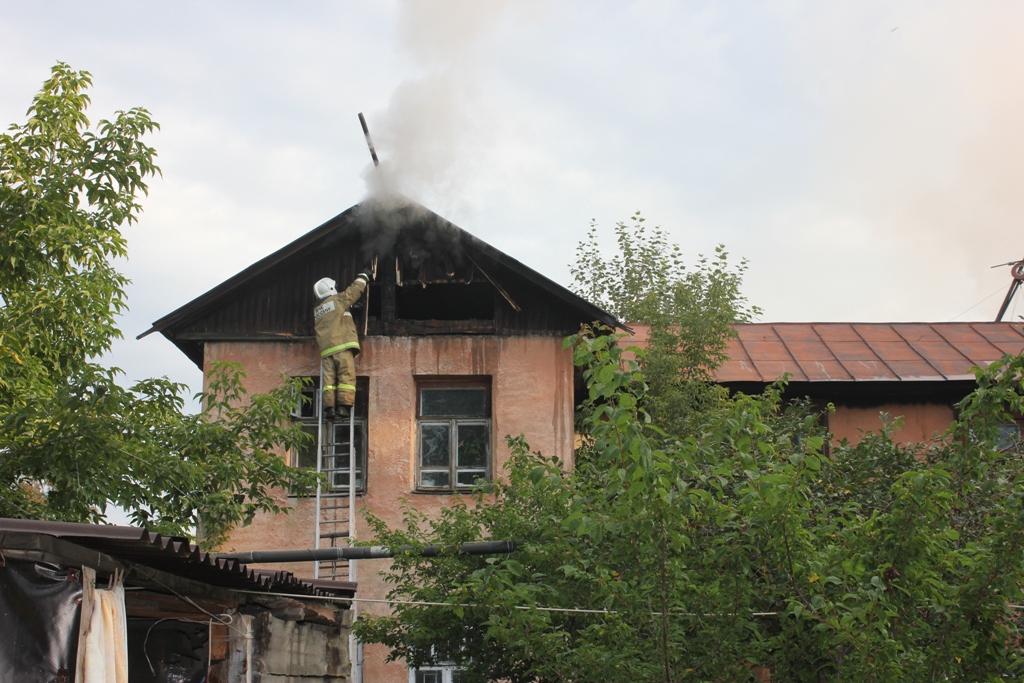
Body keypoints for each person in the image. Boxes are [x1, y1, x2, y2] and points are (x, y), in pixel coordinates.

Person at [313, 270, 370, 420]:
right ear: (330, 289)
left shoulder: (318, 310)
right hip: (341, 345)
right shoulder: (338, 300)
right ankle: (344, 407)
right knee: (346, 375)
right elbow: (353, 292)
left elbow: (335, 315)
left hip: (326, 351)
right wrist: (363, 276)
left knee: (329, 380)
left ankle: (329, 408)